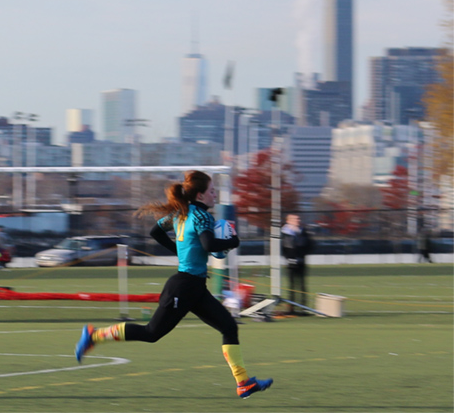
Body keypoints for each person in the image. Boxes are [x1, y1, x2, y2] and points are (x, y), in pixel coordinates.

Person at [74, 170, 272, 399]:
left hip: (195, 287)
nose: (215, 195)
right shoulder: (201, 216)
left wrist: (178, 250)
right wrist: (233, 241)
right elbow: (209, 245)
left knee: (229, 327)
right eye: (212, 191)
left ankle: (243, 383)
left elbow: (155, 232)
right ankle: (94, 335)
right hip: (184, 287)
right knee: (151, 333)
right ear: (200, 195)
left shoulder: (181, 213)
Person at [281, 213, 314, 314]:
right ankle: (291, 308)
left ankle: (303, 308)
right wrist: (289, 258)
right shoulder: (284, 233)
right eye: (295, 219)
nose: (298, 221)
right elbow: (282, 248)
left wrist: (303, 255)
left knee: (302, 285)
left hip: (301, 261)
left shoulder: (303, 232)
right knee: (292, 286)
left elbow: (310, 245)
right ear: (288, 221)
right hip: (290, 262)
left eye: (298, 219)